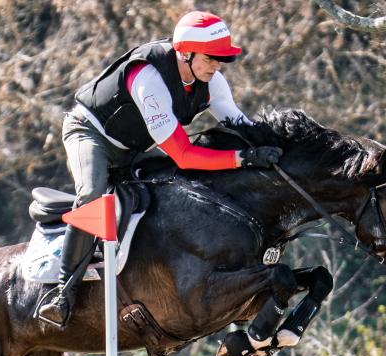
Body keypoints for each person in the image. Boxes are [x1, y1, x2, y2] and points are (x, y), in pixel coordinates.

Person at [37, 10, 284, 327]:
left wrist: (278, 145)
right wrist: (242, 159)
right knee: (93, 194)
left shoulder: (212, 82)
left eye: (221, 59)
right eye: (211, 58)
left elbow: (239, 123)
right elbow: (183, 153)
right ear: (186, 52)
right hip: (90, 133)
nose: (217, 65)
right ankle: (61, 295)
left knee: (183, 186)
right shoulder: (148, 78)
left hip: (132, 149)